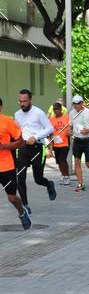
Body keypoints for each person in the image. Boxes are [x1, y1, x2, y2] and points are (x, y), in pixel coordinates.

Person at [14, 89, 56, 211]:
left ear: (30, 100)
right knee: (20, 178)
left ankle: (48, 184)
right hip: (23, 148)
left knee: (38, 179)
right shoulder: (17, 114)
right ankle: (25, 206)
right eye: (20, 101)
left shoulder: (38, 113)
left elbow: (50, 128)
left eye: (25, 101)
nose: (22, 104)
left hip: (37, 148)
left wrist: (36, 136)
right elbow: (17, 131)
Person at [0, 97, 32, 230]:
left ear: (1, 107)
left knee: (12, 198)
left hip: (6, 166)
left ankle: (22, 212)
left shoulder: (7, 121)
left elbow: (21, 142)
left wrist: (4, 146)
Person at [69, 96, 89, 192]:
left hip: (88, 140)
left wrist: (88, 130)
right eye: (74, 103)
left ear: (82, 103)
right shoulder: (72, 113)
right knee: (77, 162)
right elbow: (70, 125)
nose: (76, 106)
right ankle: (81, 184)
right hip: (77, 140)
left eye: (78, 103)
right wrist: (70, 131)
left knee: (88, 163)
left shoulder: (88, 112)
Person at [48, 101, 71, 185]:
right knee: (58, 161)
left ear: (61, 109)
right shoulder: (51, 119)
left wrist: (69, 132)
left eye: (57, 109)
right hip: (56, 143)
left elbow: (70, 128)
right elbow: (50, 132)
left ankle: (67, 176)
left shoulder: (66, 118)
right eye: (54, 109)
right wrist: (50, 145)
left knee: (62, 160)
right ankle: (63, 175)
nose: (56, 111)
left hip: (65, 142)